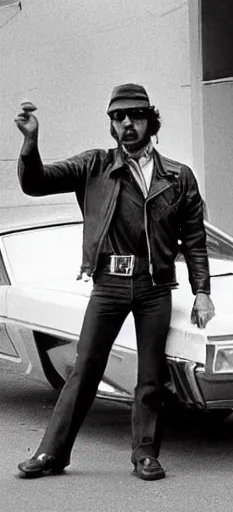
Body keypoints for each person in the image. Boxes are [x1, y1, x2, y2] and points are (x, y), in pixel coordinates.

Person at [14, 83, 215, 481]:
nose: (126, 124)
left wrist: (203, 292)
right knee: (85, 367)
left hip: (154, 284)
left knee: (151, 374)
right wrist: (31, 141)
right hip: (108, 283)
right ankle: (52, 454)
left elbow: (194, 239)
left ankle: (145, 454)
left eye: (135, 116)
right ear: (111, 125)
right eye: (118, 117)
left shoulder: (178, 176)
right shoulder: (94, 166)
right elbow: (35, 182)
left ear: (150, 121)